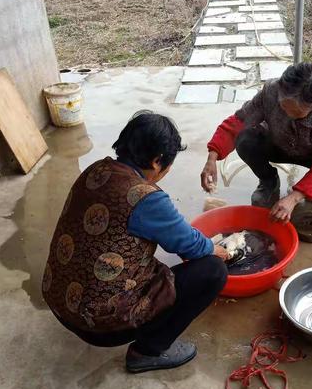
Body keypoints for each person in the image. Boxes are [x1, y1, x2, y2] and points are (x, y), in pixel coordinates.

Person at [42, 111, 228, 373]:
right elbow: (191, 245)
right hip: (97, 326)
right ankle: (147, 351)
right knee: (212, 271)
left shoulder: (96, 170)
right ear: (156, 161)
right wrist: (216, 249)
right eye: (168, 164)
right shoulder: (146, 198)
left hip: (59, 300)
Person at [201, 62, 312, 222]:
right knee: (245, 139)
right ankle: (268, 181)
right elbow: (239, 121)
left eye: (296, 112)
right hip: (277, 144)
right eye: (283, 106)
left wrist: (294, 197)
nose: (288, 114)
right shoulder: (271, 89)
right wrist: (212, 158)